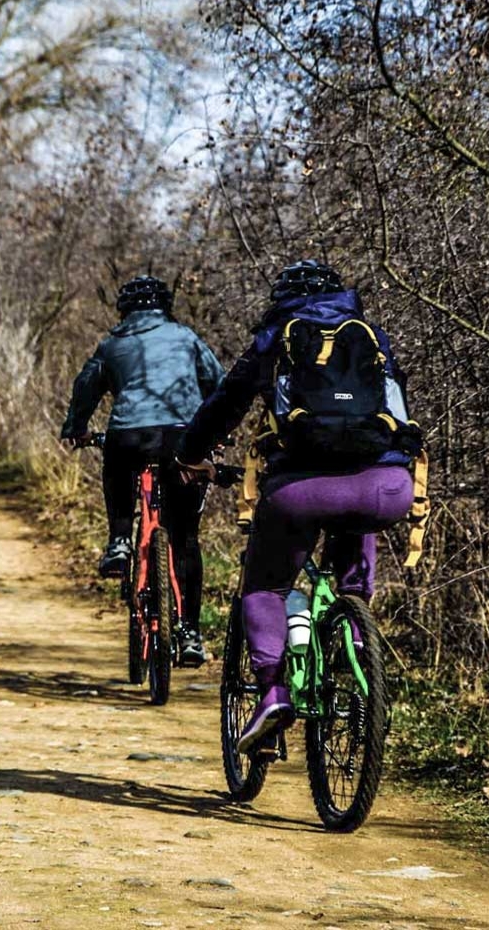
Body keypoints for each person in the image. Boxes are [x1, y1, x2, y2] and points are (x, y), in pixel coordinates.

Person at [176, 259, 420, 753]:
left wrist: (190, 455)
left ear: (281, 300)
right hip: (387, 487)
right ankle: (355, 636)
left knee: (265, 584)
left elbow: (226, 403)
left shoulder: (274, 339)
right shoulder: (371, 337)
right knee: (355, 528)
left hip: (301, 492)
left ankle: (271, 692)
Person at [60, 274, 225, 666]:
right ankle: (189, 632)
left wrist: (77, 429)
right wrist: (216, 434)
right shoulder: (186, 338)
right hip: (183, 439)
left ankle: (119, 540)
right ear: (165, 307)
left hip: (129, 435)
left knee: (117, 465)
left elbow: (87, 386)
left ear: (124, 310)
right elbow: (219, 384)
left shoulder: (113, 343)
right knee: (185, 536)